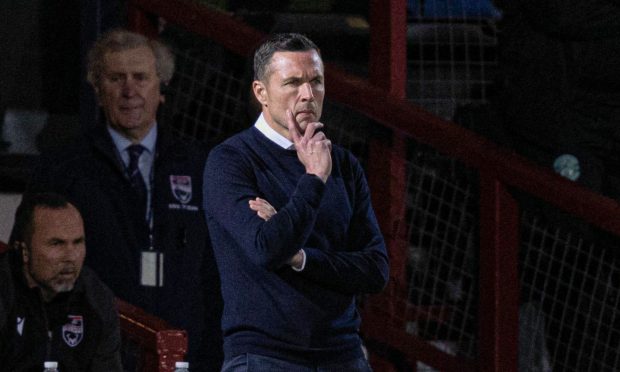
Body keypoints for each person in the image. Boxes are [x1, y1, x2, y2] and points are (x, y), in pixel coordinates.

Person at [26, 28, 223, 370]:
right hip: (92, 352)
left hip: (184, 350)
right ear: (97, 90)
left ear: (161, 88)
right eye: (116, 78)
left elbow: (217, 269)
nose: (130, 91)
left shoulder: (199, 165)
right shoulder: (62, 168)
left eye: (141, 78)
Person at [203, 33, 389, 371]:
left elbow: (375, 269)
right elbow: (266, 249)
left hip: (342, 354)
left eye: (316, 81)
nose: (308, 94)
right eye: (292, 83)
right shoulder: (231, 161)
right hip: (265, 356)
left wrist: (301, 257)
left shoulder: (344, 165)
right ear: (261, 92)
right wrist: (314, 180)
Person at [0, 192, 122, 371]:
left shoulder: (96, 299)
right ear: (25, 251)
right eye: (56, 244)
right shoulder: (5, 292)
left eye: (78, 242)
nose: (71, 256)